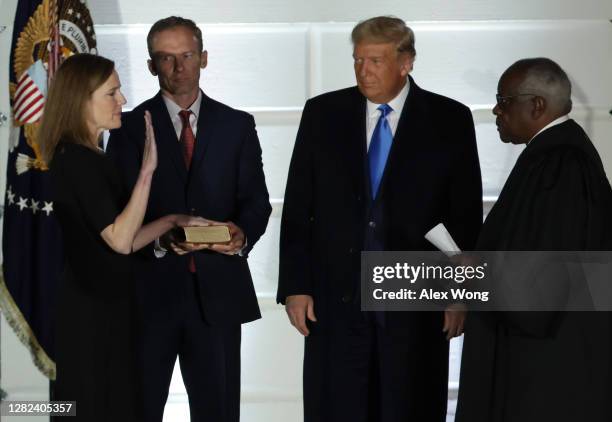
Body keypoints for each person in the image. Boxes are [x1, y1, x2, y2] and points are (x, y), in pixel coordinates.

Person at [277, 16, 483, 422]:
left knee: (409, 405)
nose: (363, 71)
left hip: (414, 299)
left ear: (406, 62)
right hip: (337, 298)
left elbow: (463, 215)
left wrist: (461, 294)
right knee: (337, 406)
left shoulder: (449, 119)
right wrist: (296, 286)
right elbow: (300, 206)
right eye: (357, 60)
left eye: (374, 61)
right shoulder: (322, 113)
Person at [106, 16, 271, 422]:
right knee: (138, 409)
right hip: (148, 298)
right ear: (150, 66)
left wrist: (240, 234)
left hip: (218, 296)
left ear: (204, 58)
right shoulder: (126, 128)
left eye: (187, 56)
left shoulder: (237, 125)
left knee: (218, 413)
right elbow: (117, 213)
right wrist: (162, 242)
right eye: (166, 58)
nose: (179, 68)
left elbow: (256, 201)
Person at [42, 53, 203, 421]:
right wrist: (147, 172)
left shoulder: (90, 157)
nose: (123, 101)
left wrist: (172, 220)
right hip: (91, 316)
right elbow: (119, 238)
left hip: (110, 309)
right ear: (82, 100)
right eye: (112, 93)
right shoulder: (77, 160)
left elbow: (126, 240)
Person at [455, 58, 612, 422]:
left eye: (504, 100)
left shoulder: (560, 165)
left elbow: (538, 288)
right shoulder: (557, 158)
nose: (496, 109)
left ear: (536, 106)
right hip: (551, 363)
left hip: (546, 373)